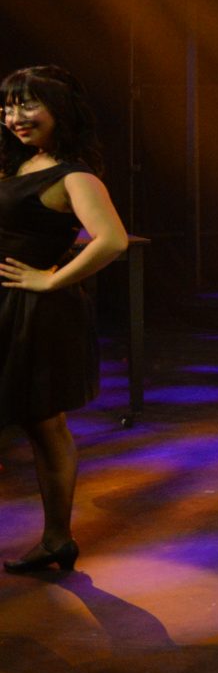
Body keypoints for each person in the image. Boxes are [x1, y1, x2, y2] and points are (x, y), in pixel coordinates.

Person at [1, 67, 129, 573]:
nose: (15, 117)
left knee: (44, 424)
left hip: (33, 313)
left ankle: (57, 538)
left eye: (28, 105)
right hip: (9, 306)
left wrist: (50, 280)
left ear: (59, 110)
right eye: (8, 107)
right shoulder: (19, 164)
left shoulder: (72, 175)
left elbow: (112, 240)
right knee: (38, 424)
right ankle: (56, 539)